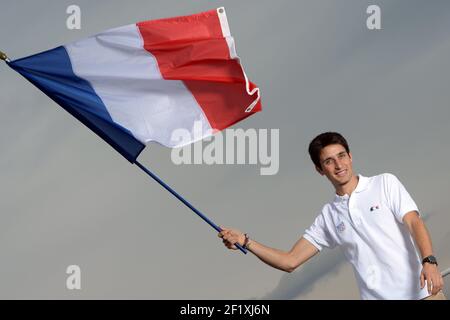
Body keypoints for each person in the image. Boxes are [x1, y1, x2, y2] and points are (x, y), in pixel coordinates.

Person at [219, 132, 445, 300]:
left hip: (423, 294)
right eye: (329, 161)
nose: (339, 165)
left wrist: (430, 261)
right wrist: (245, 241)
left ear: (350, 156)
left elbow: (414, 222)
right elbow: (290, 261)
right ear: (320, 170)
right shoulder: (328, 217)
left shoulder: (384, 183)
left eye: (341, 156)